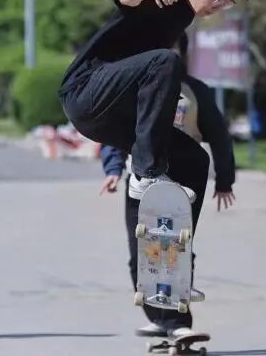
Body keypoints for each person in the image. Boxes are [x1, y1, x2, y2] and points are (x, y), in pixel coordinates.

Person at [60, 0, 253, 337]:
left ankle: (175, 265)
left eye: (228, 4)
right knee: (165, 63)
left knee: (194, 160)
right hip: (86, 92)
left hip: (116, 117)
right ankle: (146, 173)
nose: (219, 8)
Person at [99, 33, 236, 338]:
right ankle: (157, 316)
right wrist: (112, 168)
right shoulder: (134, 87)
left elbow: (219, 135)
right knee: (141, 249)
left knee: (175, 247)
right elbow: (115, 131)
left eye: (171, 50)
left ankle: (177, 321)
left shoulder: (195, 91)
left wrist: (225, 179)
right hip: (141, 180)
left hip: (184, 180)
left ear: (181, 54)